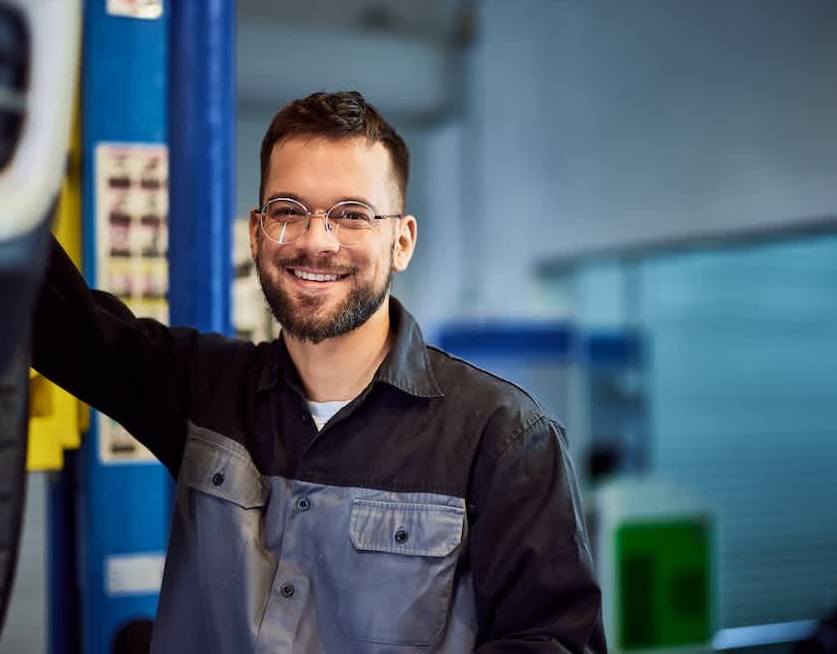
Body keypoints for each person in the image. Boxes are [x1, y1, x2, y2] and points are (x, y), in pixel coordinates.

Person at [32, 91, 606, 653]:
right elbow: (54, 318)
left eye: (352, 215)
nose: (316, 241)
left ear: (401, 241)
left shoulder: (503, 438)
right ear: (257, 233)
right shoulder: (202, 391)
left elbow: (551, 642)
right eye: (289, 212)